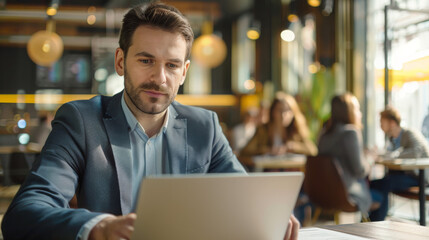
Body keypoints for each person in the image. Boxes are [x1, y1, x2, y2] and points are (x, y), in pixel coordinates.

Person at [1, 2, 299, 240]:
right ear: (120, 62)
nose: (159, 78)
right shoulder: (81, 121)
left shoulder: (204, 126)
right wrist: (99, 228)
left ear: (184, 72)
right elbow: (24, 214)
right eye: (146, 61)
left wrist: (267, 218)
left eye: (172, 65)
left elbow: (243, 201)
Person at [317, 93, 379, 215]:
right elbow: (360, 171)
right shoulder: (350, 133)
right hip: (347, 194)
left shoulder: (324, 135)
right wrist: (370, 159)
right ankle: (368, 231)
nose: (360, 113)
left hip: (324, 194)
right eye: (357, 109)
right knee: (382, 193)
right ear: (350, 111)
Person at [369, 106, 429, 221]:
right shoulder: (391, 139)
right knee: (375, 183)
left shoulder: (409, 133)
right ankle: (372, 220)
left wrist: (394, 155)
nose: (380, 125)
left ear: (392, 123)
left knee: (385, 184)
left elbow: (416, 151)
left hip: (419, 177)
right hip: (404, 175)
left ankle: (376, 221)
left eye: (382, 121)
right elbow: (390, 155)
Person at [239, 92, 317, 167]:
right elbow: (245, 152)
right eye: (280, 110)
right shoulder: (263, 130)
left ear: (293, 113)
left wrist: (293, 147)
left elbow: (313, 150)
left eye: (288, 110)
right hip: (268, 172)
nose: (284, 115)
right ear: (272, 112)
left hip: (291, 171)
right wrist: (268, 150)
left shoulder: (296, 130)